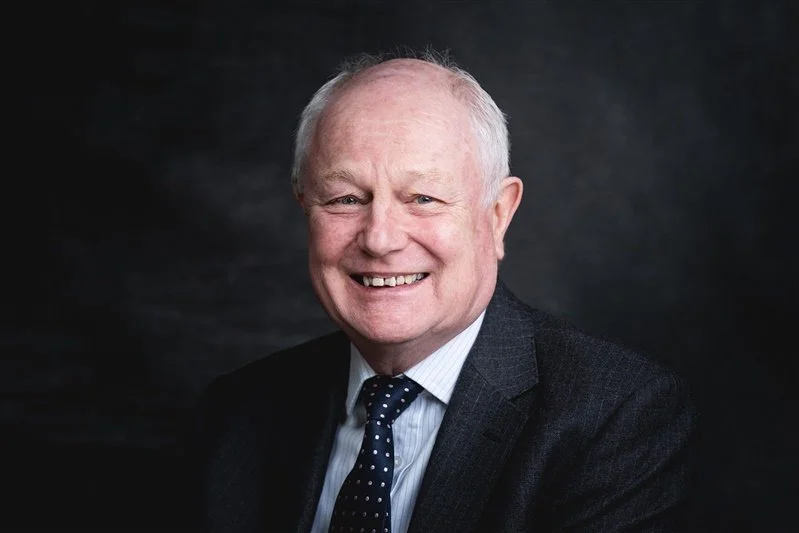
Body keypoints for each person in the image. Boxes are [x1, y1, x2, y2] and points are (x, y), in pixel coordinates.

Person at [188, 49, 696, 533]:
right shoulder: (235, 413)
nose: (380, 238)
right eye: (345, 198)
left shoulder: (613, 412)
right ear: (305, 208)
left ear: (497, 216)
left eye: (423, 198)